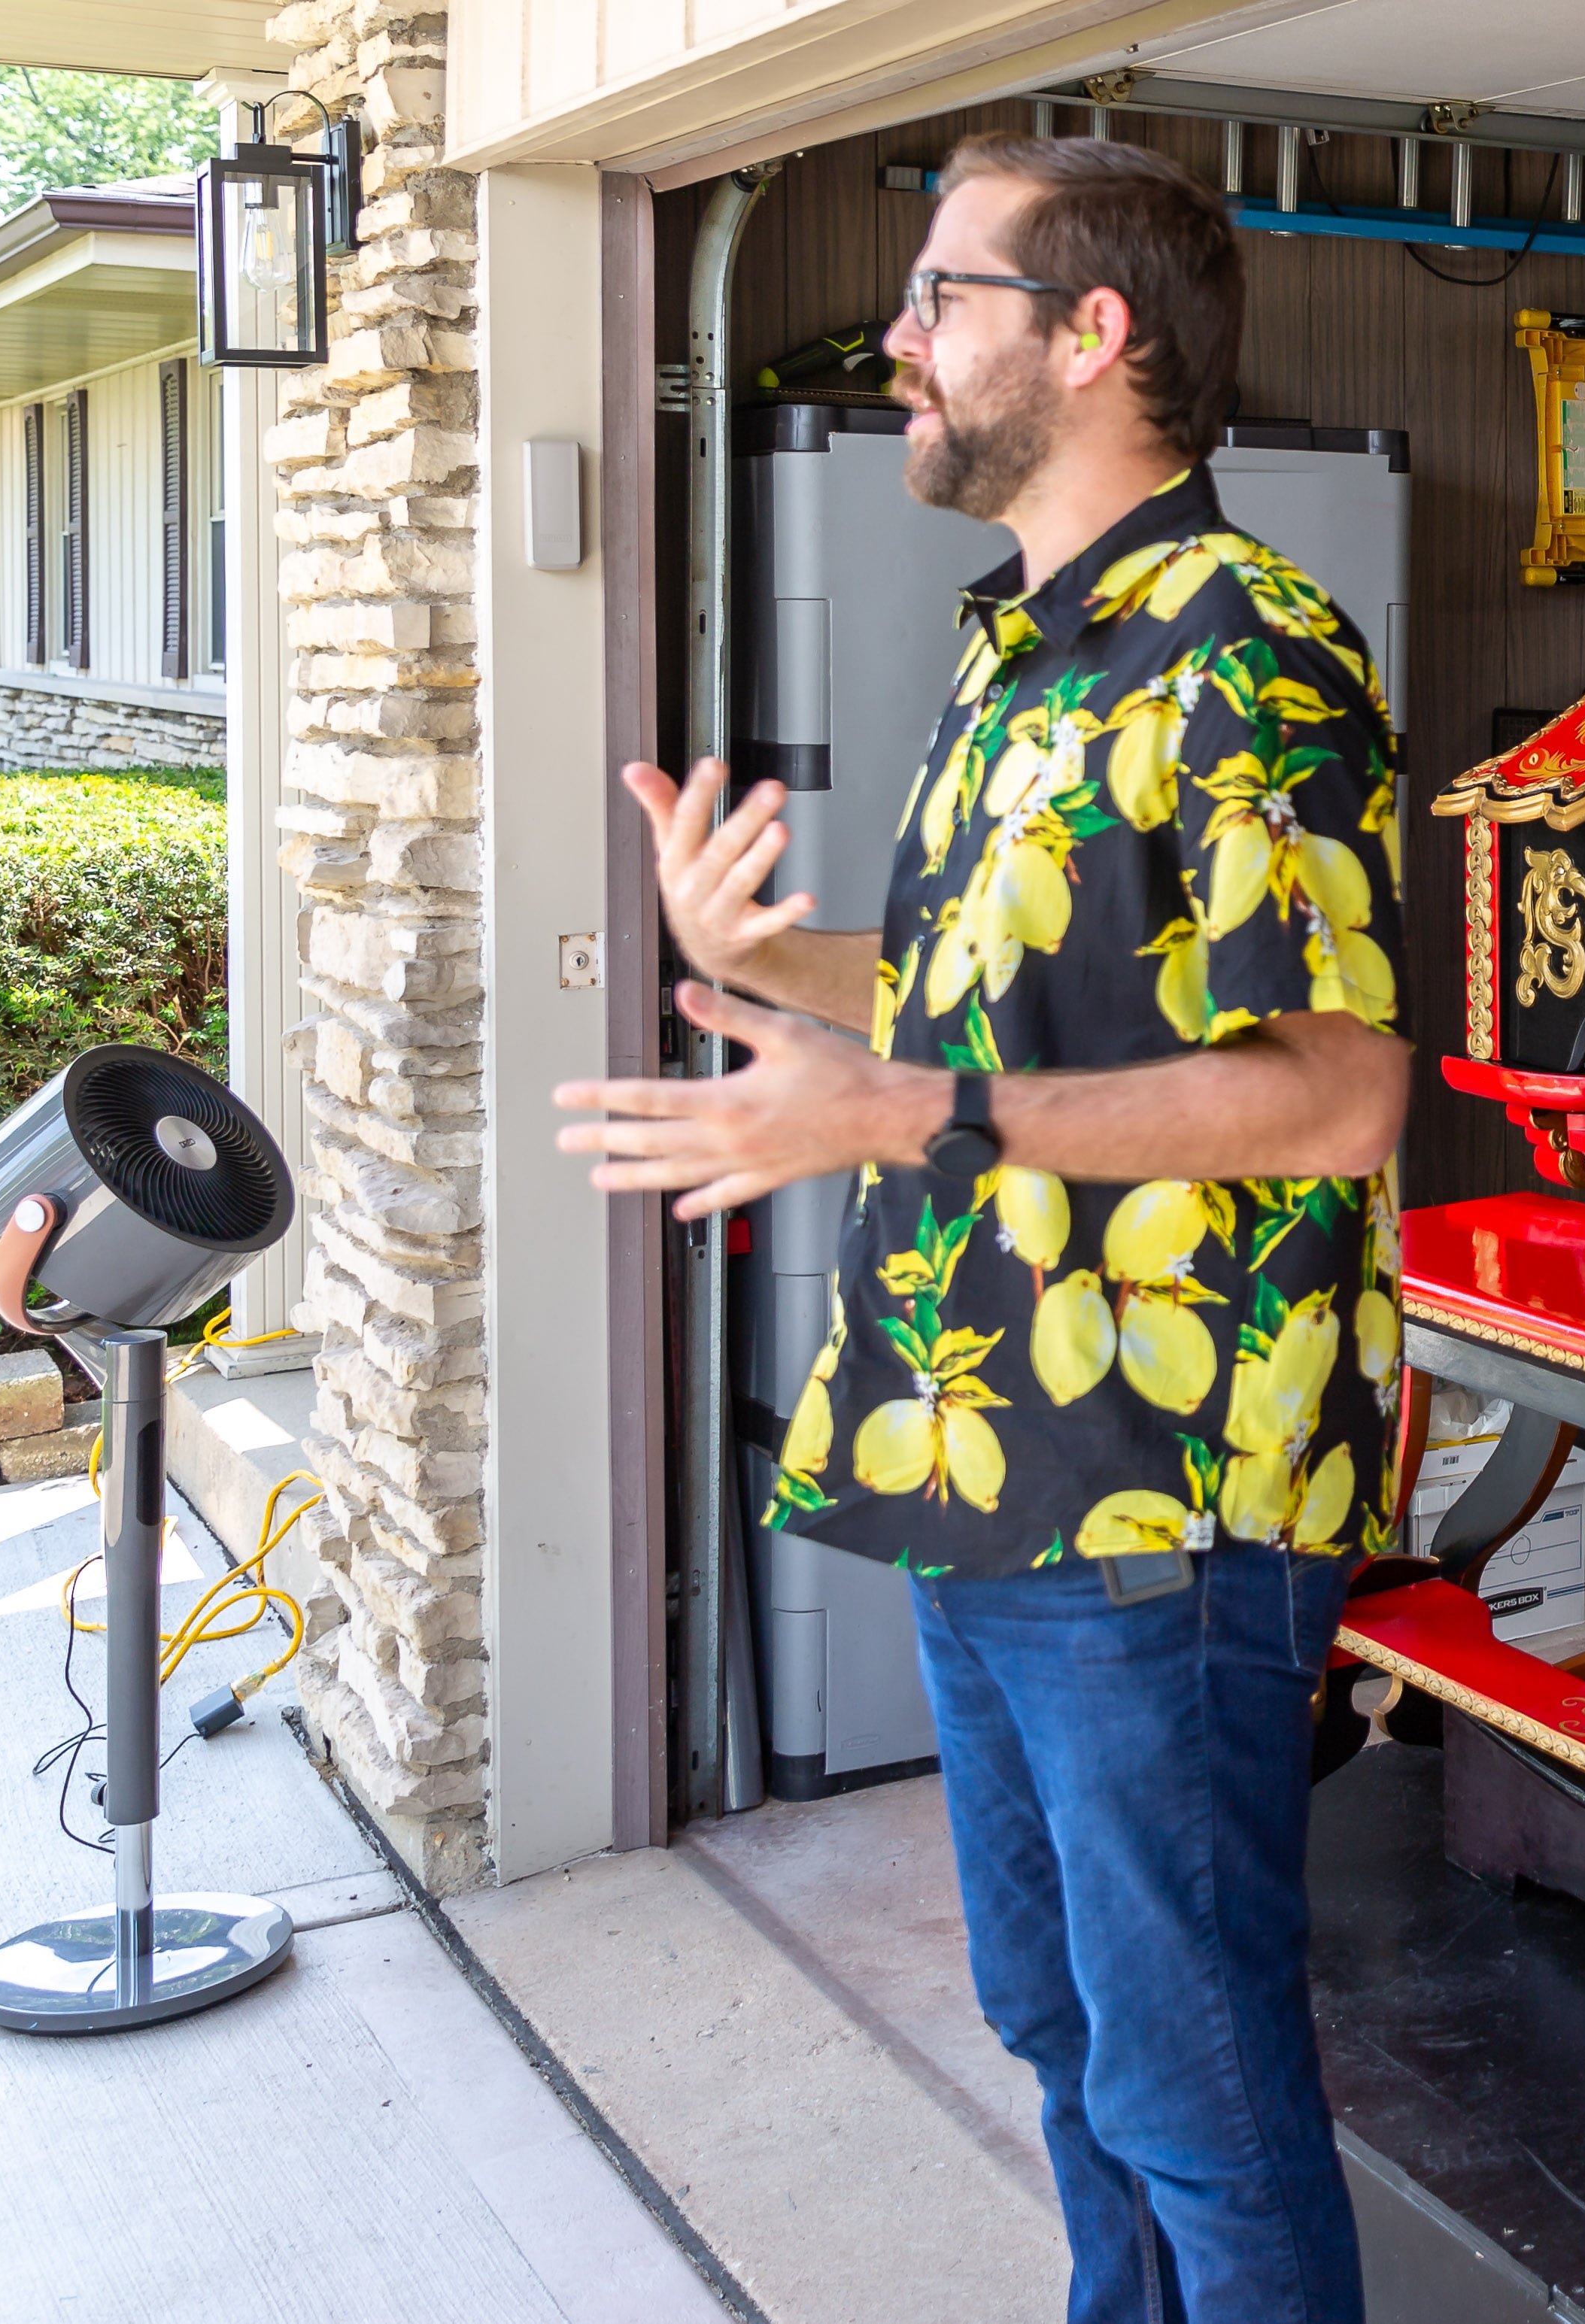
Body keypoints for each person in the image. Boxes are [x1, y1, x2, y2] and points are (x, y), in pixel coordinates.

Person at [554, 134, 1404, 2324]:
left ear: (1094, 336)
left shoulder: (1254, 656)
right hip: (977, 1455)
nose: (903, 342)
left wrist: (905, 1100)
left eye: (944, 298)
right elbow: (979, 997)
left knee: (1199, 2083)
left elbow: (1334, 1087)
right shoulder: (1022, 650)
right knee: (1059, 2034)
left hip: (1163, 1498)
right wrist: (757, 966)